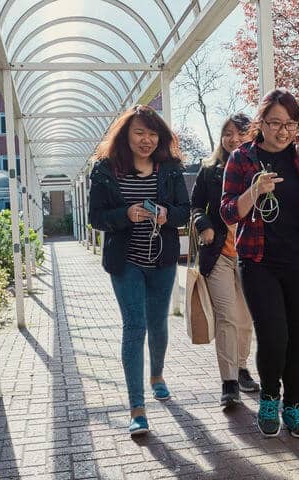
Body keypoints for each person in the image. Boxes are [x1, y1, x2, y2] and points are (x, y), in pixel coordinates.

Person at [220, 89, 299, 438]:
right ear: (261, 123)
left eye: (290, 124)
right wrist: (254, 191)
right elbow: (228, 211)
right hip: (259, 262)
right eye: (274, 123)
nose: (283, 131)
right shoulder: (242, 159)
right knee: (274, 337)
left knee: (297, 339)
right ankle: (270, 397)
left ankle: (294, 406)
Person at [88, 105, 190, 437]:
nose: (146, 140)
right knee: (134, 326)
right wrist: (125, 215)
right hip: (126, 260)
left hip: (161, 260)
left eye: (152, 133)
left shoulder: (171, 169)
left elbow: (184, 213)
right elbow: (97, 217)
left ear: (160, 137)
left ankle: (157, 375)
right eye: (139, 133)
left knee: (157, 322)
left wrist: (165, 214)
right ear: (126, 134)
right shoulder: (106, 170)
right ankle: (137, 408)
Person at [190, 113, 260, 409]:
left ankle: (242, 368)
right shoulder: (209, 169)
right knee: (226, 316)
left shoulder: (260, 167)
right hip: (218, 253)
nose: (233, 139)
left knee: (246, 319)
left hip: (251, 253)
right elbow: (194, 206)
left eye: (240, 134)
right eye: (228, 133)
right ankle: (229, 381)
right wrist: (203, 225)